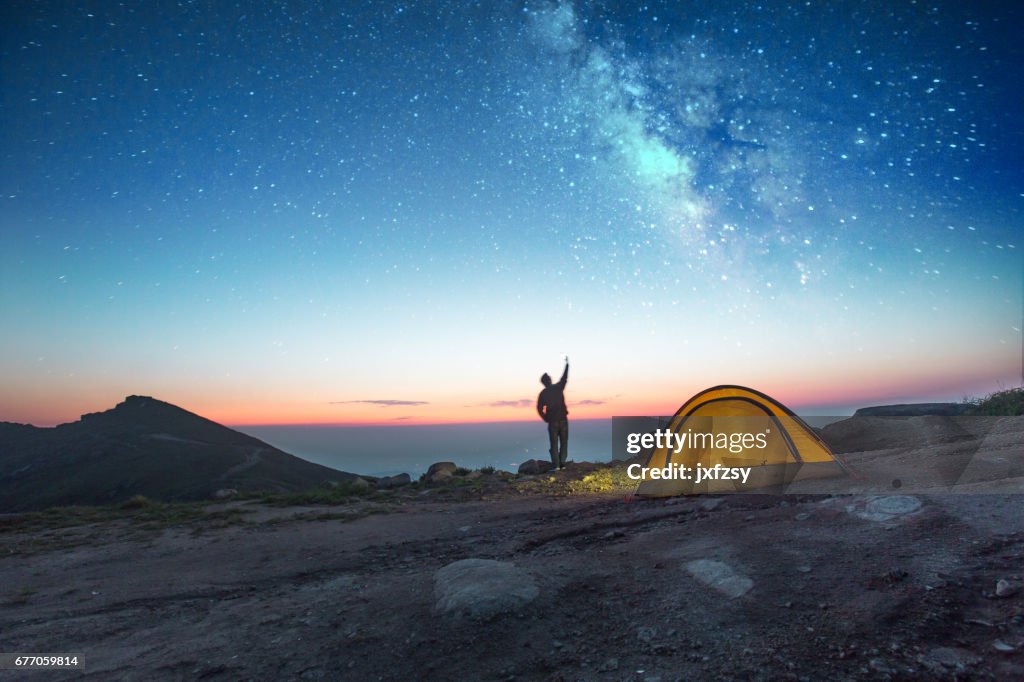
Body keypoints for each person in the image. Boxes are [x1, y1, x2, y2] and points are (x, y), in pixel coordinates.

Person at [537, 357, 569, 470]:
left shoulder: (543, 394)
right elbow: (564, 378)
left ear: (543, 383)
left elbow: (539, 408)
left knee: (554, 444)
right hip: (563, 419)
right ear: (550, 380)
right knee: (564, 442)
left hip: (552, 421)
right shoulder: (558, 387)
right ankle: (562, 463)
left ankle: (556, 465)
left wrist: (546, 418)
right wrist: (567, 366)